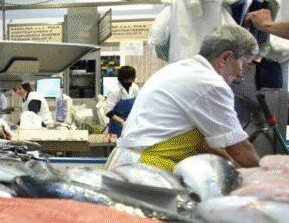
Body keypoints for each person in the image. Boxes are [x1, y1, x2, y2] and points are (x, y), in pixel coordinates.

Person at [107, 24, 260, 171]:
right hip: (146, 168)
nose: (241, 73)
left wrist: (232, 164)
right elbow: (238, 147)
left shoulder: (179, 69)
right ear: (226, 57)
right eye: (244, 64)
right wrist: (264, 175)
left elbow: (202, 144)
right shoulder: (210, 83)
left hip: (128, 163)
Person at [102, 66, 140, 137]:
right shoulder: (115, 91)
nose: (132, 80)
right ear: (124, 79)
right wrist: (122, 121)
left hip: (131, 123)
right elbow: (107, 111)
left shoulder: (134, 87)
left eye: (133, 78)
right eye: (131, 78)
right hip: (117, 126)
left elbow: (139, 102)